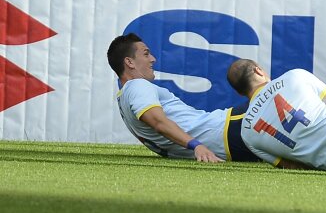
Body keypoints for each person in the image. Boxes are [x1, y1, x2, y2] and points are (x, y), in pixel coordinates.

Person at [108, 34, 257, 164]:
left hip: (228, 145)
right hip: (226, 129)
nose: (153, 59)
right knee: (269, 96)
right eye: (146, 54)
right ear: (129, 62)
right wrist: (196, 145)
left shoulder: (124, 98)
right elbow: (158, 122)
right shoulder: (137, 86)